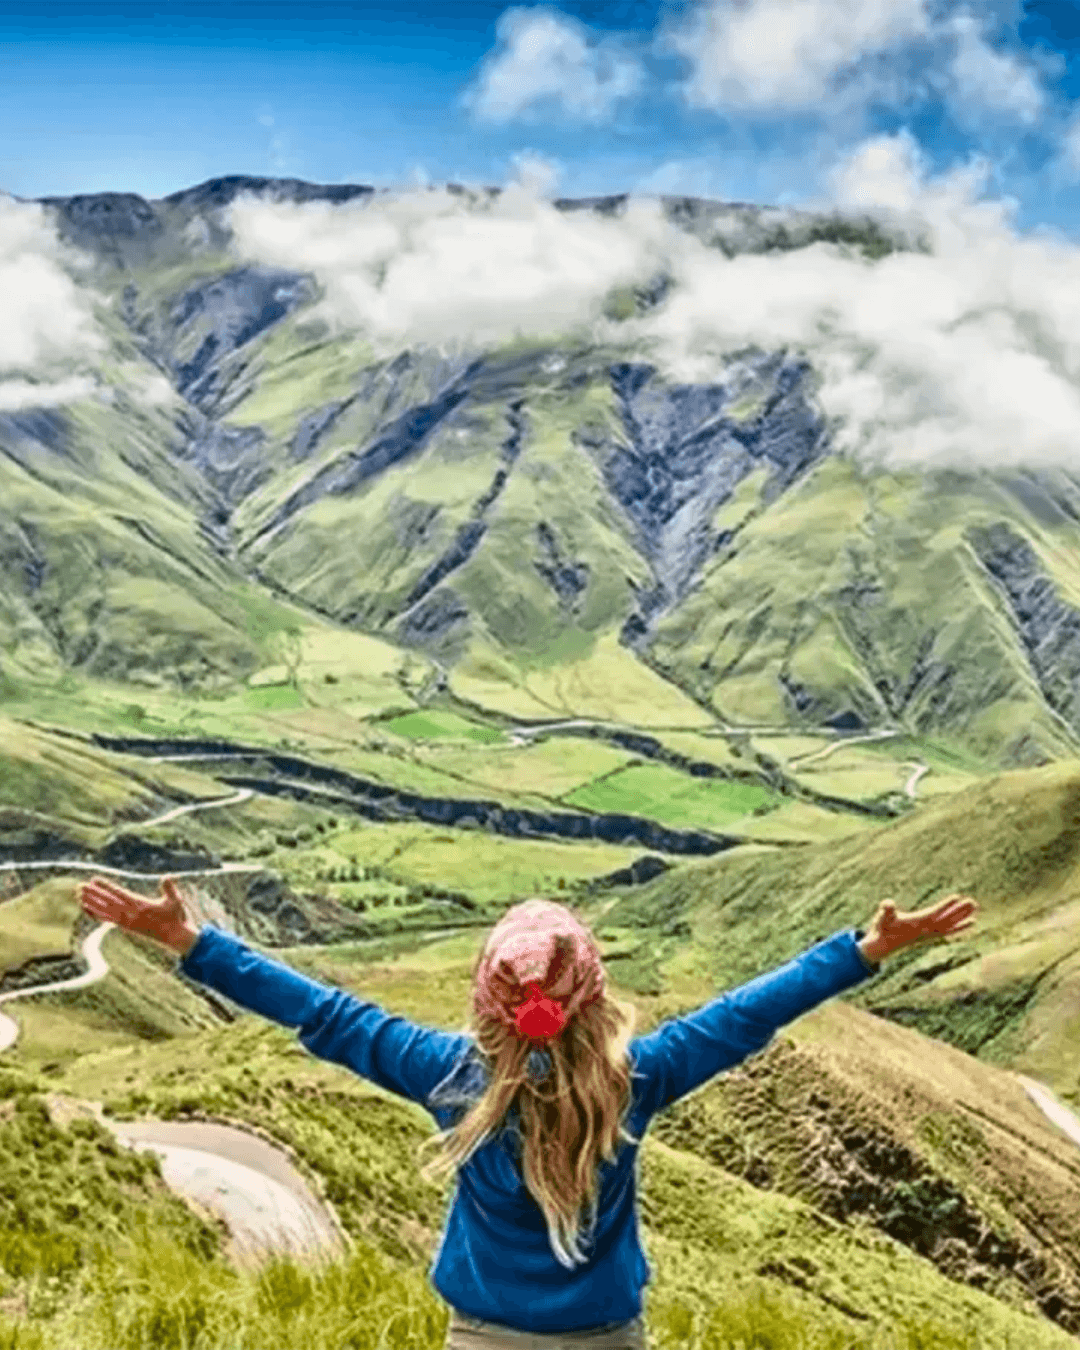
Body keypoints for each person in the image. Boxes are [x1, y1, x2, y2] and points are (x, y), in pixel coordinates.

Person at [77, 875, 978, 1350]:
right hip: (608, 1337)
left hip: (481, 1339)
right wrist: (863, 950)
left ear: (486, 999)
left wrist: (191, 940)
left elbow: (325, 1013)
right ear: (593, 994)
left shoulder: (448, 1077)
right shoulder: (638, 1078)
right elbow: (746, 1014)